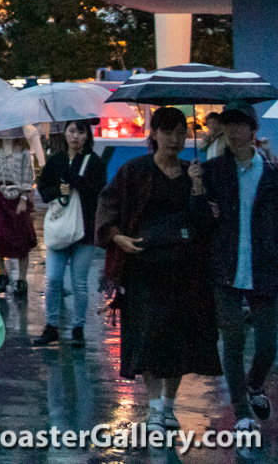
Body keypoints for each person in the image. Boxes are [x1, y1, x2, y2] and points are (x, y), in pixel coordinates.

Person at [96, 107, 221, 435]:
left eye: (180, 132)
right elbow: (108, 205)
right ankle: (154, 408)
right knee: (148, 336)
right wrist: (116, 237)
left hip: (184, 273)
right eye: (166, 131)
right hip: (143, 269)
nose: (174, 138)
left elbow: (204, 222)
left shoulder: (191, 172)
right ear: (153, 134)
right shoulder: (134, 170)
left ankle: (169, 405)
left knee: (177, 338)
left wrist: (197, 188)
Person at [194, 106, 278, 432]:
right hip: (225, 265)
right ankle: (241, 411)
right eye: (227, 125)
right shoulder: (213, 171)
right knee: (232, 339)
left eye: (238, 125)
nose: (231, 131)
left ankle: (254, 383)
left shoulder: (270, 171)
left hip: (264, 266)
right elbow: (201, 220)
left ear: (252, 129)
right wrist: (199, 191)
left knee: (269, 342)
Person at [32, 119, 106, 348]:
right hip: (59, 227)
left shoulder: (93, 162)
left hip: (84, 228)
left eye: (80, 132)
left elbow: (96, 189)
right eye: (71, 131)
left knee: (79, 282)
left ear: (87, 136)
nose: (75, 136)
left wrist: (73, 179)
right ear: (64, 133)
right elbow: (43, 191)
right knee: (53, 279)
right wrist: (58, 190)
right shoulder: (55, 161)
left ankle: (78, 327)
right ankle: (51, 325)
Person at [0, 136, 36, 297]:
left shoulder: (23, 150)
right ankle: (2, 273)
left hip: (17, 196)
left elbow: (27, 174)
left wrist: (24, 199)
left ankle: (21, 279)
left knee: (20, 239)